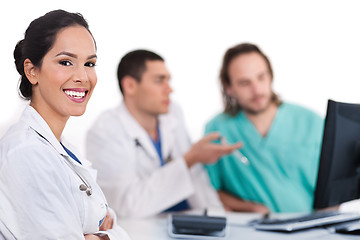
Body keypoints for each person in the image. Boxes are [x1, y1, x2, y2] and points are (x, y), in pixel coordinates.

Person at [0, 10, 130, 240]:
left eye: (90, 63)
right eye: (66, 62)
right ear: (31, 71)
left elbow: (111, 220)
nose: (82, 76)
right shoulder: (26, 153)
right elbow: (106, 222)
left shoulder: (60, 145)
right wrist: (104, 233)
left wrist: (102, 236)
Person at [86, 50, 241, 218]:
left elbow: (197, 179)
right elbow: (126, 206)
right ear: (130, 86)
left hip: (188, 220)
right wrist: (190, 158)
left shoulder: (173, 113)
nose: (169, 89)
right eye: (159, 81)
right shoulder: (105, 130)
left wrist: (217, 214)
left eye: (168, 80)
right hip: (142, 229)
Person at [205, 43, 324, 214]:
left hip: (313, 228)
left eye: (261, 77)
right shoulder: (218, 129)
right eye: (245, 83)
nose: (257, 90)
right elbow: (207, 191)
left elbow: (334, 184)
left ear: (270, 76)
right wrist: (250, 208)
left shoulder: (311, 121)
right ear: (229, 88)